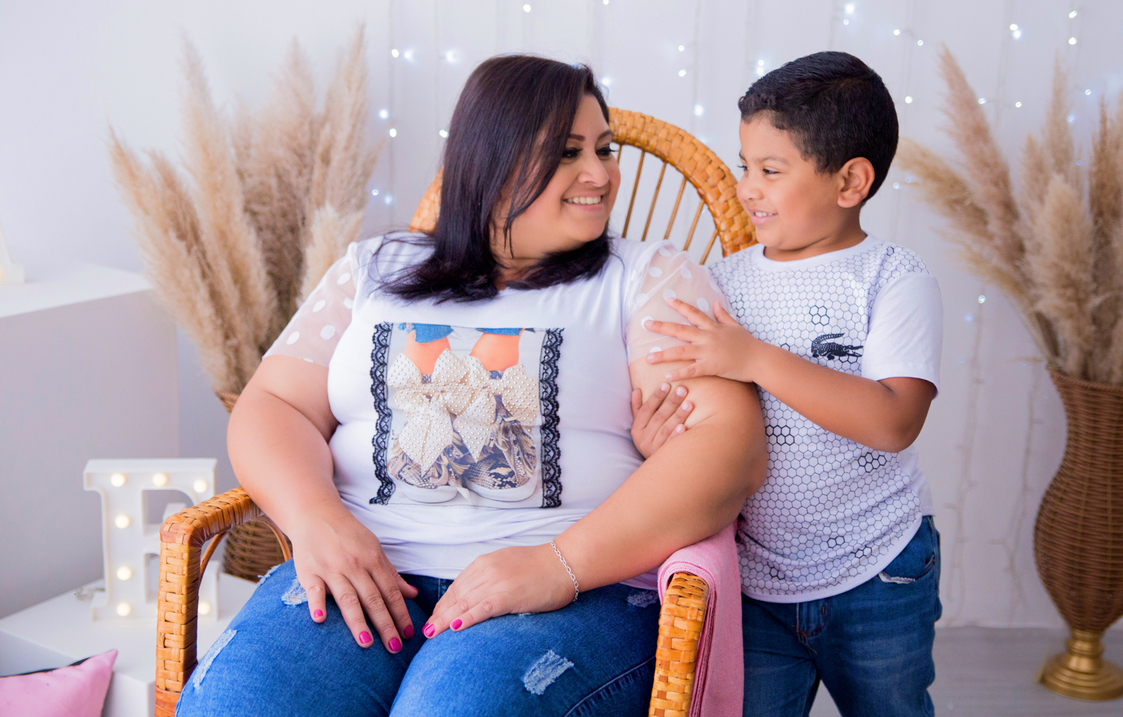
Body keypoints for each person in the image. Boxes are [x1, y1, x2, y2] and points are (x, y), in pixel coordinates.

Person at [175, 54, 766, 717]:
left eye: (604, 149)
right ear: (491, 160)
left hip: (572, 591)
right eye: (567, 153)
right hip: (360, 567)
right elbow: (272, 406)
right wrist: (317, 523)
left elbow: (730, 450)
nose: (600, 174)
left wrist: (557, 565)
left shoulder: (648, 278)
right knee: (235, 705)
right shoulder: (373, 269)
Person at [635, 51, 944, 717]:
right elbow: (693, 413)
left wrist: (753, 357)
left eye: (771, 171)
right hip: (756, 581)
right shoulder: (722, 284)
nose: (747, 188)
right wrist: (653, 433)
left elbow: (893, 422)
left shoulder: (893, 278)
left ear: (850, 181)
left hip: (879, 568)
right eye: (746, 165)